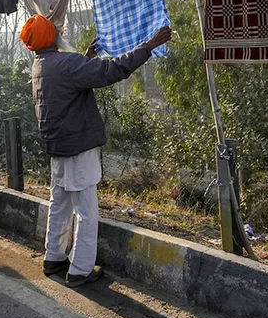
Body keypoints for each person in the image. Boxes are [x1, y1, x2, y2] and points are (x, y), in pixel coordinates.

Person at [20, 15, 171, 287]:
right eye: (56, 30)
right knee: (86, 211)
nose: (59, 32)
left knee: (60, 204)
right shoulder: (66, 63)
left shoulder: (40, 65)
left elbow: (69, 82)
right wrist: (147, 47)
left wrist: (86, 58)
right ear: (50, 37)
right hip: (79, 147)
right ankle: (80, 270)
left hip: (58, 147)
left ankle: (54, 257)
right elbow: (112, 71)